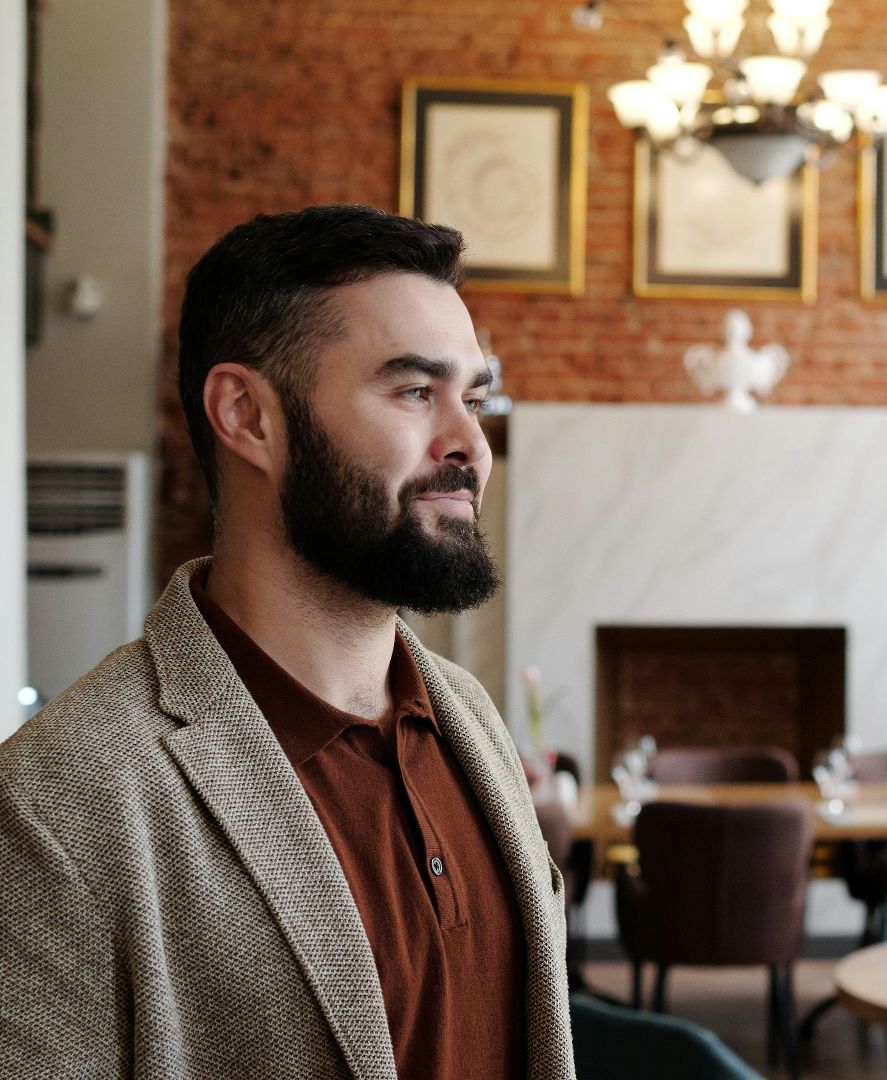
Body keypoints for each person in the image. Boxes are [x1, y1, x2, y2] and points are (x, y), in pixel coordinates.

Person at [0, 206, 574, 1078]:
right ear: (248, 416)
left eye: (475, 397)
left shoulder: (467, 715)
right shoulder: (59, 802)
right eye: (416, 392)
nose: (472, 446)